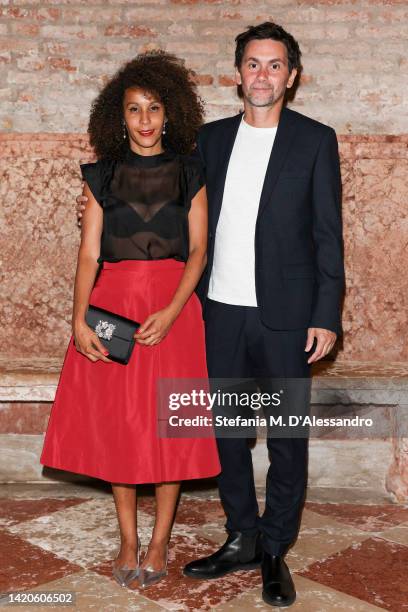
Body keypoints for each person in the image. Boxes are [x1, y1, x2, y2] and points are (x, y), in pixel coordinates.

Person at [77, 22, 344, 608]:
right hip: (216, 313)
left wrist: (326, 314)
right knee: (226, 435)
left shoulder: (316, 141)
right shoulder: (211, 141)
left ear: (291, 76)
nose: (262, 75)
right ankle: (241, 536)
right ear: (238, 72)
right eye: (252, 64)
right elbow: (181, 221)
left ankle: (275, 550)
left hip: (287, 317)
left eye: (274, 65)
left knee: (286, 438)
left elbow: (329, 234)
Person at [41, 50, 220, 590]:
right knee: (122, 428)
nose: (145, 120)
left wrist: (170, 312)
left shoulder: (191, 171)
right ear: (119, 116)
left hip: (175, 309)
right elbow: (88, 255)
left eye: (154, 108)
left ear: (171, 114)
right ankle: (127, 537)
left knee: (169, 427)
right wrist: (78, 322)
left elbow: (198, 253)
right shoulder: (103, 175)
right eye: (135, 109)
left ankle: (161, 537)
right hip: (114, 307)